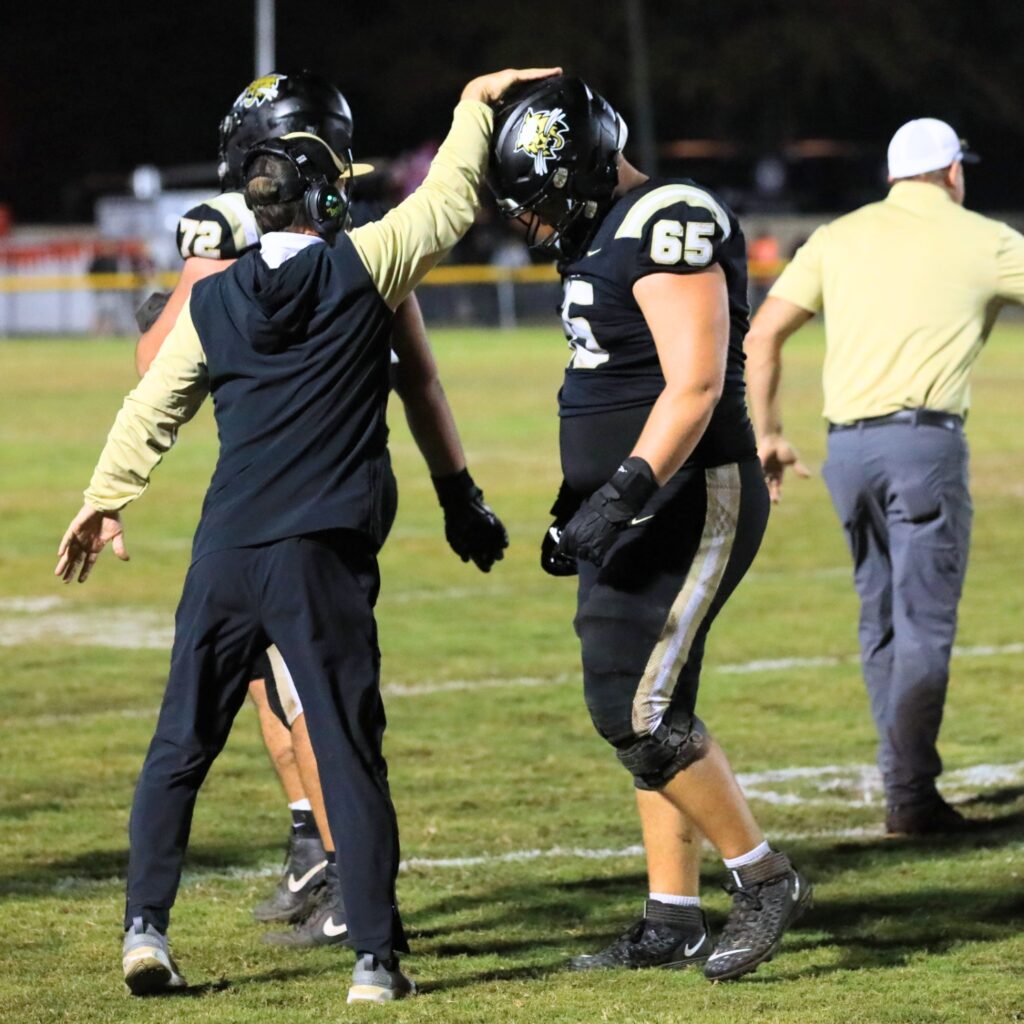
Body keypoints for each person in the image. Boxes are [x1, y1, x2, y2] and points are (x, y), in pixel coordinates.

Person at [55, 66, 557, 1004]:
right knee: (345, 749)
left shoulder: (211, 300)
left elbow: (152, 404)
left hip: (226, 555)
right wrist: (472, 105)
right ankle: (373, 959)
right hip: (316, 553)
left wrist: (105, 495)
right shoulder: (364, 264)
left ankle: (146, 933)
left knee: (179, 747)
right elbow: (450, 196)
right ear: (327, 186)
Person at [135, 70, 509, 944]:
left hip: (268, 521)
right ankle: (322, 856)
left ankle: (331, 878)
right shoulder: (339, 240)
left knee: (292, 706)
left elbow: (154, 373)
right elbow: (413, 373)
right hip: (323, 511)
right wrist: (457, 492)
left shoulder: (286, 237)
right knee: (303, 703)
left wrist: (458, 491)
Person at [488, 75, 811, 982]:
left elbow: (697, 384)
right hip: (638, 499)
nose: (537, 222)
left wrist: (616, 492)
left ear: (588, 164)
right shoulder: (603, 224)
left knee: (628, 707)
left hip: (687, 492)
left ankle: (764, 879)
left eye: (544, 199)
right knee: (652, 705)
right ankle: (672, 917)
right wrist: (583, 493)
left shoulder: (668, 214)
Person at [744, 117, 1024, 835]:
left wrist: (769, 433)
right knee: (925, 627)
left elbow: (763, 335)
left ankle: (903, 784)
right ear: (953, 172)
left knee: (881, 622)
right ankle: (910, 796)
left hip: (848, 454)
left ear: (895, 176)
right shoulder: (984, 238)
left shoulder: (837, 237)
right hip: (924, 446)